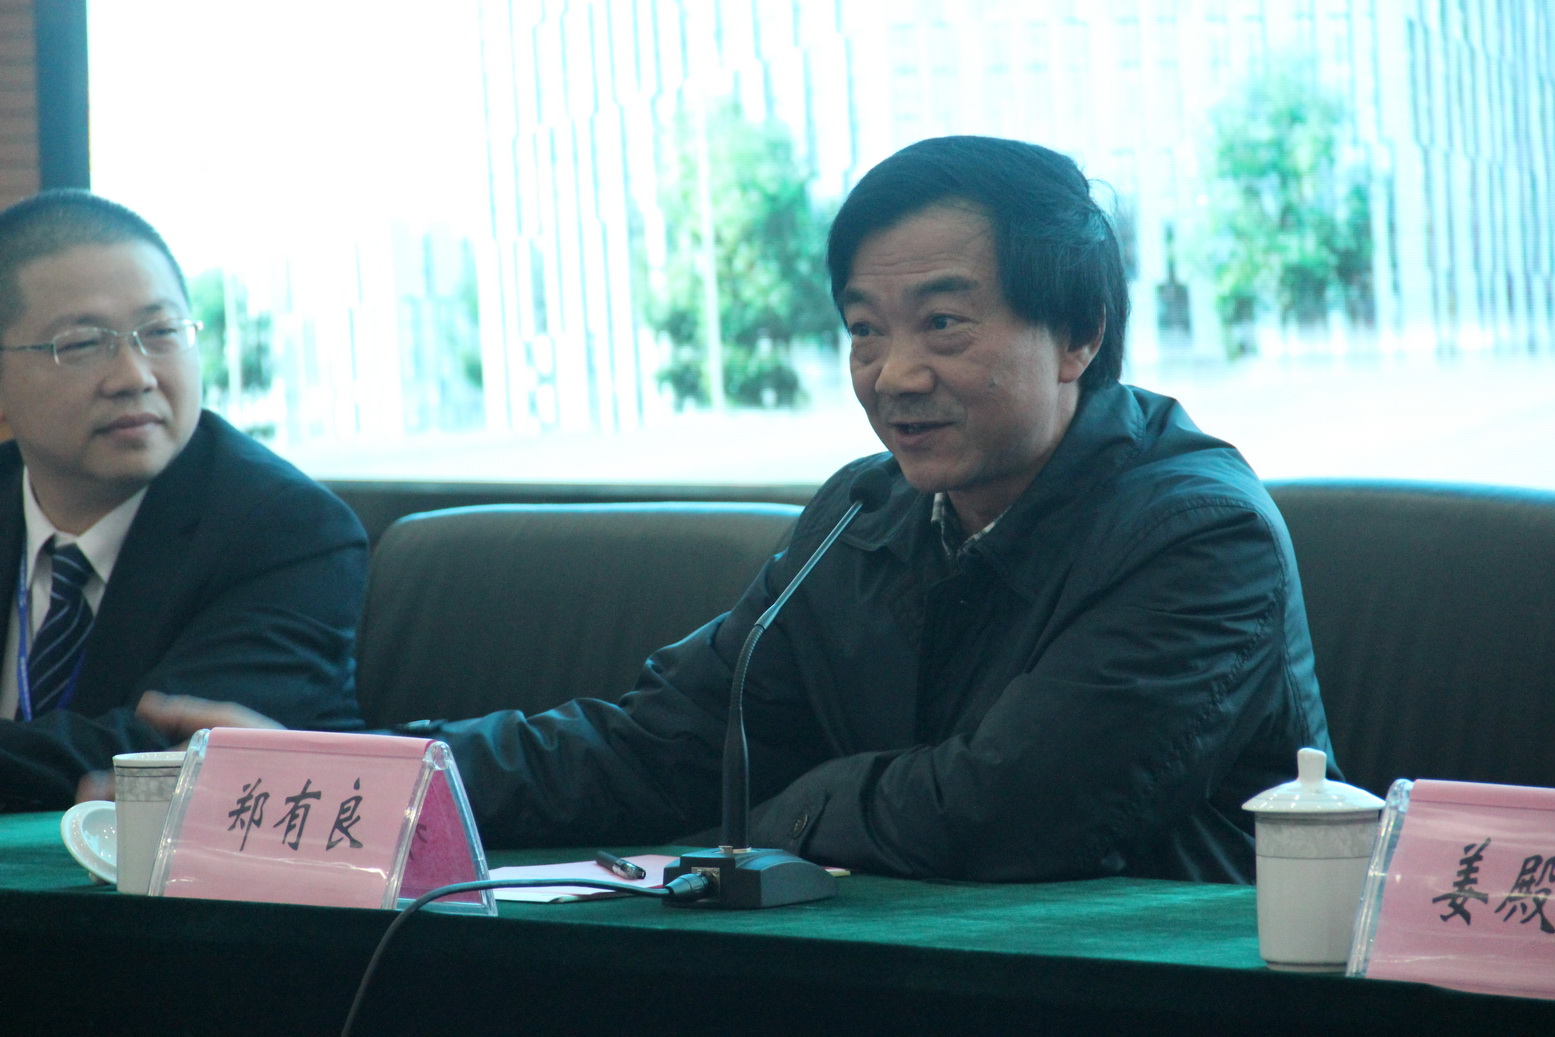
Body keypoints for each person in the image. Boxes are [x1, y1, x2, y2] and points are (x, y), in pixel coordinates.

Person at [140, 136, 1336, 883]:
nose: (893, 372)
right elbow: (657, 744)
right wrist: (355, 768)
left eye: (942, 322)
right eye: (862, 329)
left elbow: (1010, 815)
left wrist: (774, 810)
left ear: (1078, 333)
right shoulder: (863, 515)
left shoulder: (1197, 531)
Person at [0, 189, 367, 812]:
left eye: (161, 333)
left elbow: (160, 755)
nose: (134, 376)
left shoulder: (288, 531)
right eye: (82, 343)